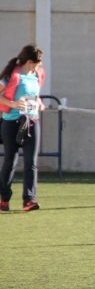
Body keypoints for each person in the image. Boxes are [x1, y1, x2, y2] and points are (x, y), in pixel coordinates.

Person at [0, 43, 46, 212]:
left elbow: (36, 95)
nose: (39, 66)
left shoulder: (37, 74)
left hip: (31, 121)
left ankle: (29, 200)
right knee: (10, 161)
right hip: (11, 121)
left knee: (31, 162)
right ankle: (4, 198)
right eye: (37, 63)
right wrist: (11, 103)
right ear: (29, 61)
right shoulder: (13, 74)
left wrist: (39, 103)